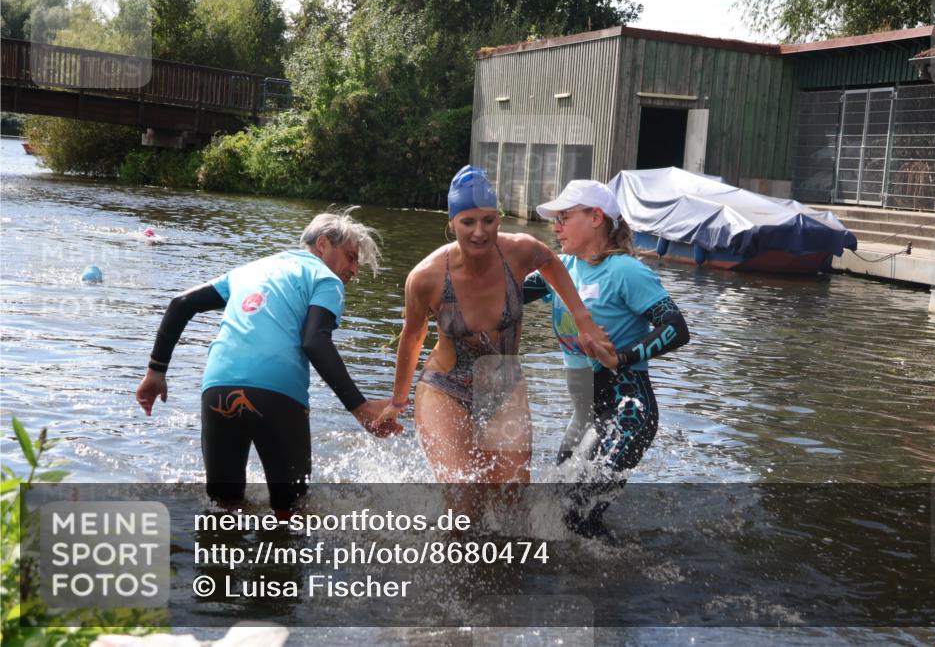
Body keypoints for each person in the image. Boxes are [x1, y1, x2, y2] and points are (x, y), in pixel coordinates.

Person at [135, 208, 401, 518]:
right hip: (276, 394)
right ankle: (281, 563)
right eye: (351, 257)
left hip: (218, 387)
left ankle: (217, 564)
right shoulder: (325, 278)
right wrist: (360, 407)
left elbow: (181, 304)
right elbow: (314, 341)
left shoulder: (252, 269)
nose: (354, 269)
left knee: (223, 506)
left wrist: (156, 371)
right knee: (292, 512)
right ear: (323, 244)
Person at [376, 166, 612, 485]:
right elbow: (413, 337)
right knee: (462, 495)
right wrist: (397, 402)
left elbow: (550, 262)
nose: (479, 232)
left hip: (505, 387)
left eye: (488, 220)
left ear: (498, 220)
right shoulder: (425, 278)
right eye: (468, 222)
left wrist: (582, 319)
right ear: (451, 224)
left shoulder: (519, 250)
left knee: (512, 493)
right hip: (447, 387)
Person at [523, 180, 690, 537]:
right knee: (557, 515)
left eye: (565, 217)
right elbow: (504, 296)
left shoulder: (626, 272)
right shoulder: (558, 270)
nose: (556, 227)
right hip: (583, 415)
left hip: (627, 410)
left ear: (596, 217)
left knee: (574, 515)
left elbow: (676, 327)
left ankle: (618, 581)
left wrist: (622, 358)